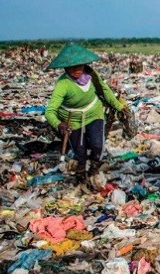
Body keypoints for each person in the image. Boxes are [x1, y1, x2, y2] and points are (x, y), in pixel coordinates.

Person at [45, 43, 126, 184]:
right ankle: (81, 175)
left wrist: (119, 107)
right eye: (72, 67)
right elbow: (50, 111)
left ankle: (94, 168)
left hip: (94, 113)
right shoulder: (63, 84)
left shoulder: (92, 75)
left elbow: (105, 91)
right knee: (80, 152)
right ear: (65, 67)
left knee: (97, 145)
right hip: (72, 120)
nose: (76, 69)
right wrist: (59, 125)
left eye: (80, 65)